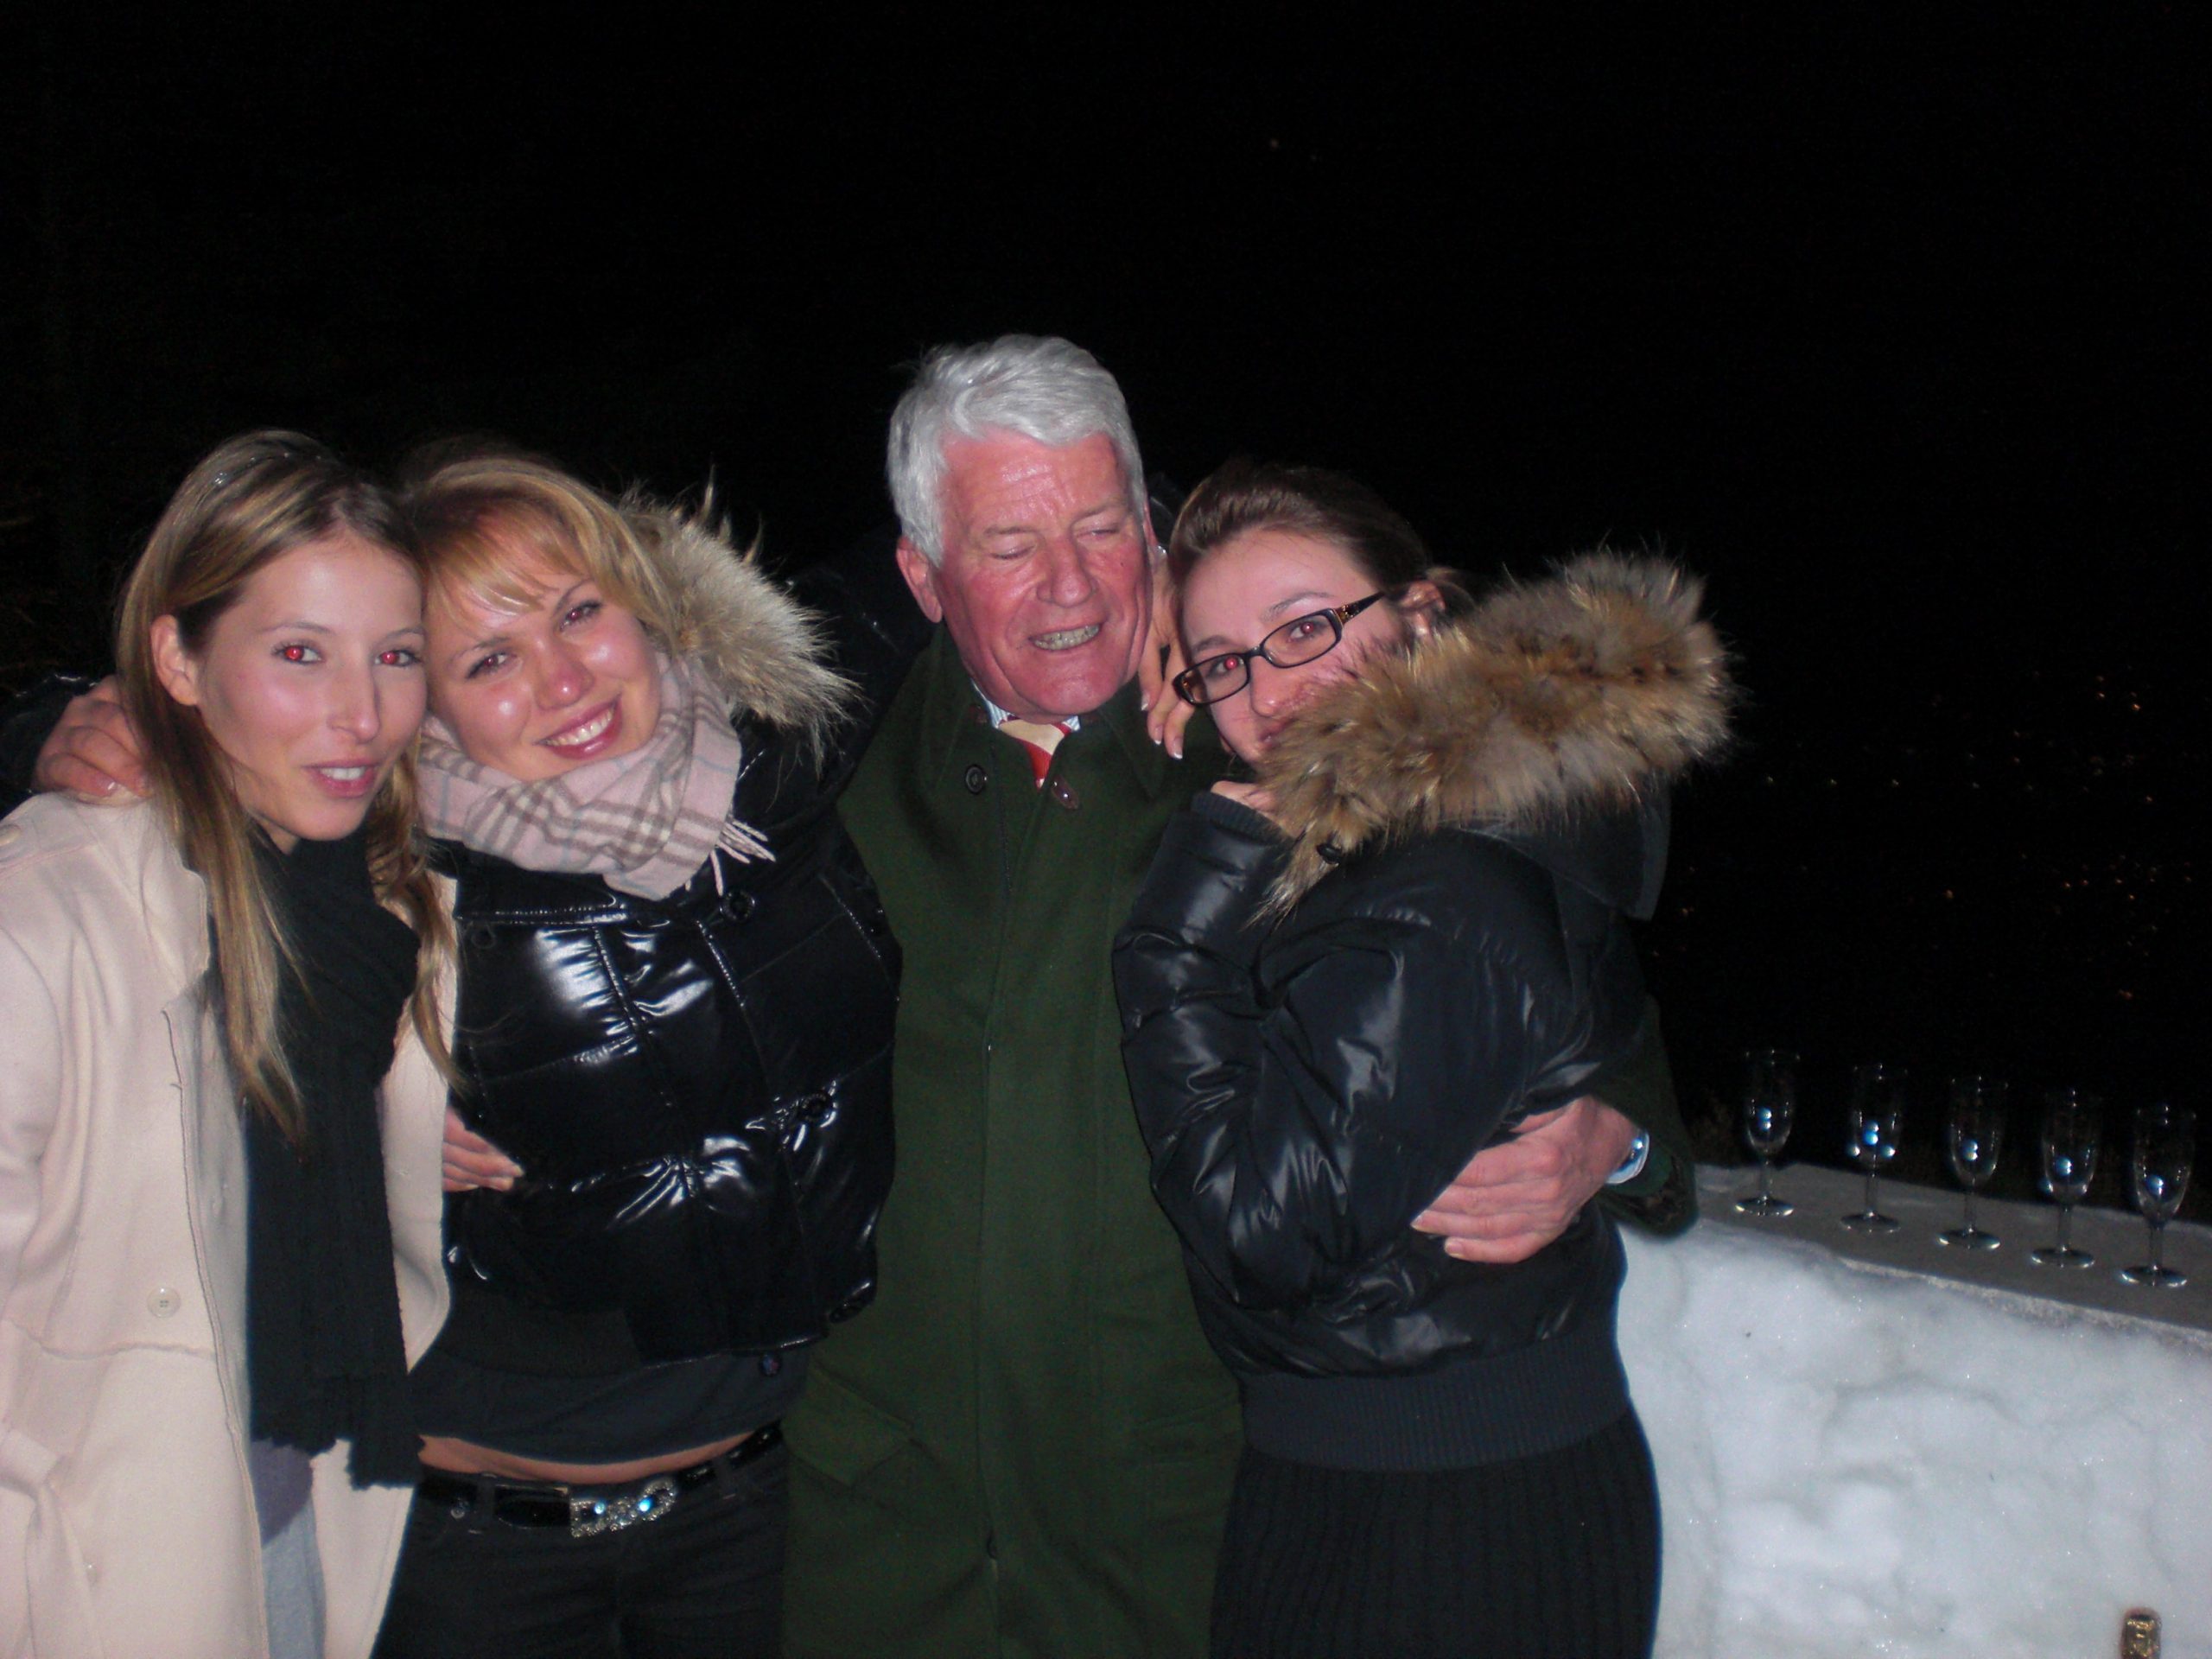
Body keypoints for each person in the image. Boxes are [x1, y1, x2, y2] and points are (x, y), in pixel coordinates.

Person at [780, 335, 1697, 1658]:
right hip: (883, 1530)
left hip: (1184, 1526)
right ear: (923, 577)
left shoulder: (1280, 737)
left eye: (1103, 528)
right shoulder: (827, 764)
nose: (1070, 586)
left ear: (1151, 529)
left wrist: (1620, 1129)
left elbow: (1543, 932)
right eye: (1009, 545)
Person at [1113, 461, 1732, 1658]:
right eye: (1225, 661)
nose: (1272, 689)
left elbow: (1265, 1230)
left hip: (1441, 1510)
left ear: (1424, 612)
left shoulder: (1440, 869)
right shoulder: (1398, 810)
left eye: (1307, 627)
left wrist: (1169, 942)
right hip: (1377, 1473)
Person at [365, 451, 897, 1659]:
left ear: (644, 599)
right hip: (478, 1556)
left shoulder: (779, 761)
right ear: (421, 701)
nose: (562, 678)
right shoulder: (369, 865)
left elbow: (949, 558)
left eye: (578, 612)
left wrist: (1170, 607)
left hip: (754, 1517)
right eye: (488, 660)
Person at [0, 433, 453, 1658]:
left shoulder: (380, 911)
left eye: (397, 655)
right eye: (300, 653)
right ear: (177, 659)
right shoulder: (46, 918)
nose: (365, 713)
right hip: (99, 1585)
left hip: (295, 1524)